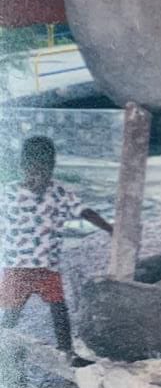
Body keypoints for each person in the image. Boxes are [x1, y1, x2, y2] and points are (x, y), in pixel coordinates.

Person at [1, 136, 113, 368]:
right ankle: (4, 347)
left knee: (59, 309)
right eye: (34, 170)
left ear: (52, 168)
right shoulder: (7, 195)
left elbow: (84, 211)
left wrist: (110, 228)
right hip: (18, 266)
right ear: (23, 168)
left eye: (45, 170)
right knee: (11, 312)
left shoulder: (58, 193)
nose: (40, 177)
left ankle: (68, 353)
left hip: (47, 267)